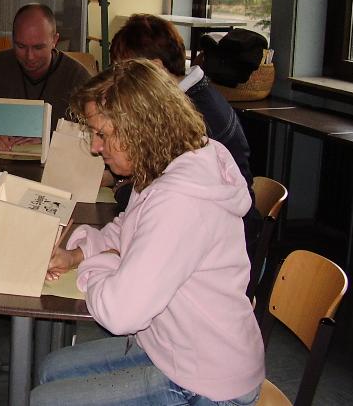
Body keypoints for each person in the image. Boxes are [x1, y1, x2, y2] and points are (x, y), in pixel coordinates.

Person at [32, 59, 265, 406]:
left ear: (139, 128)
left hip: (208, 382)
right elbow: (128, 229)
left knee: (47, 400)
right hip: (172, 347)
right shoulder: (164, 165)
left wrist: (103, 265)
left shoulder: (180, 201)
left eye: (102, 134)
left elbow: (120, 314)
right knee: (50, 369)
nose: (95, 147)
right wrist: (77, 255)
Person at [109, 13, 261, 252]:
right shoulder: (188, 96)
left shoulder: (194, 116)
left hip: (223, 246)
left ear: (156, 68)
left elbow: (163, 196)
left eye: (125, 73)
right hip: (210, 231)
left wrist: (123, 187)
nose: (118, 81)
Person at [0, 3, 90, 148]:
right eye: (21, 46)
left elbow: (93, 134)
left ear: (54, 41)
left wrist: (50, 139)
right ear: (12, 39)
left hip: (57, 159)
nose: (30, 56)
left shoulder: (77, 77)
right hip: (3, 157)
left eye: (38, 47)